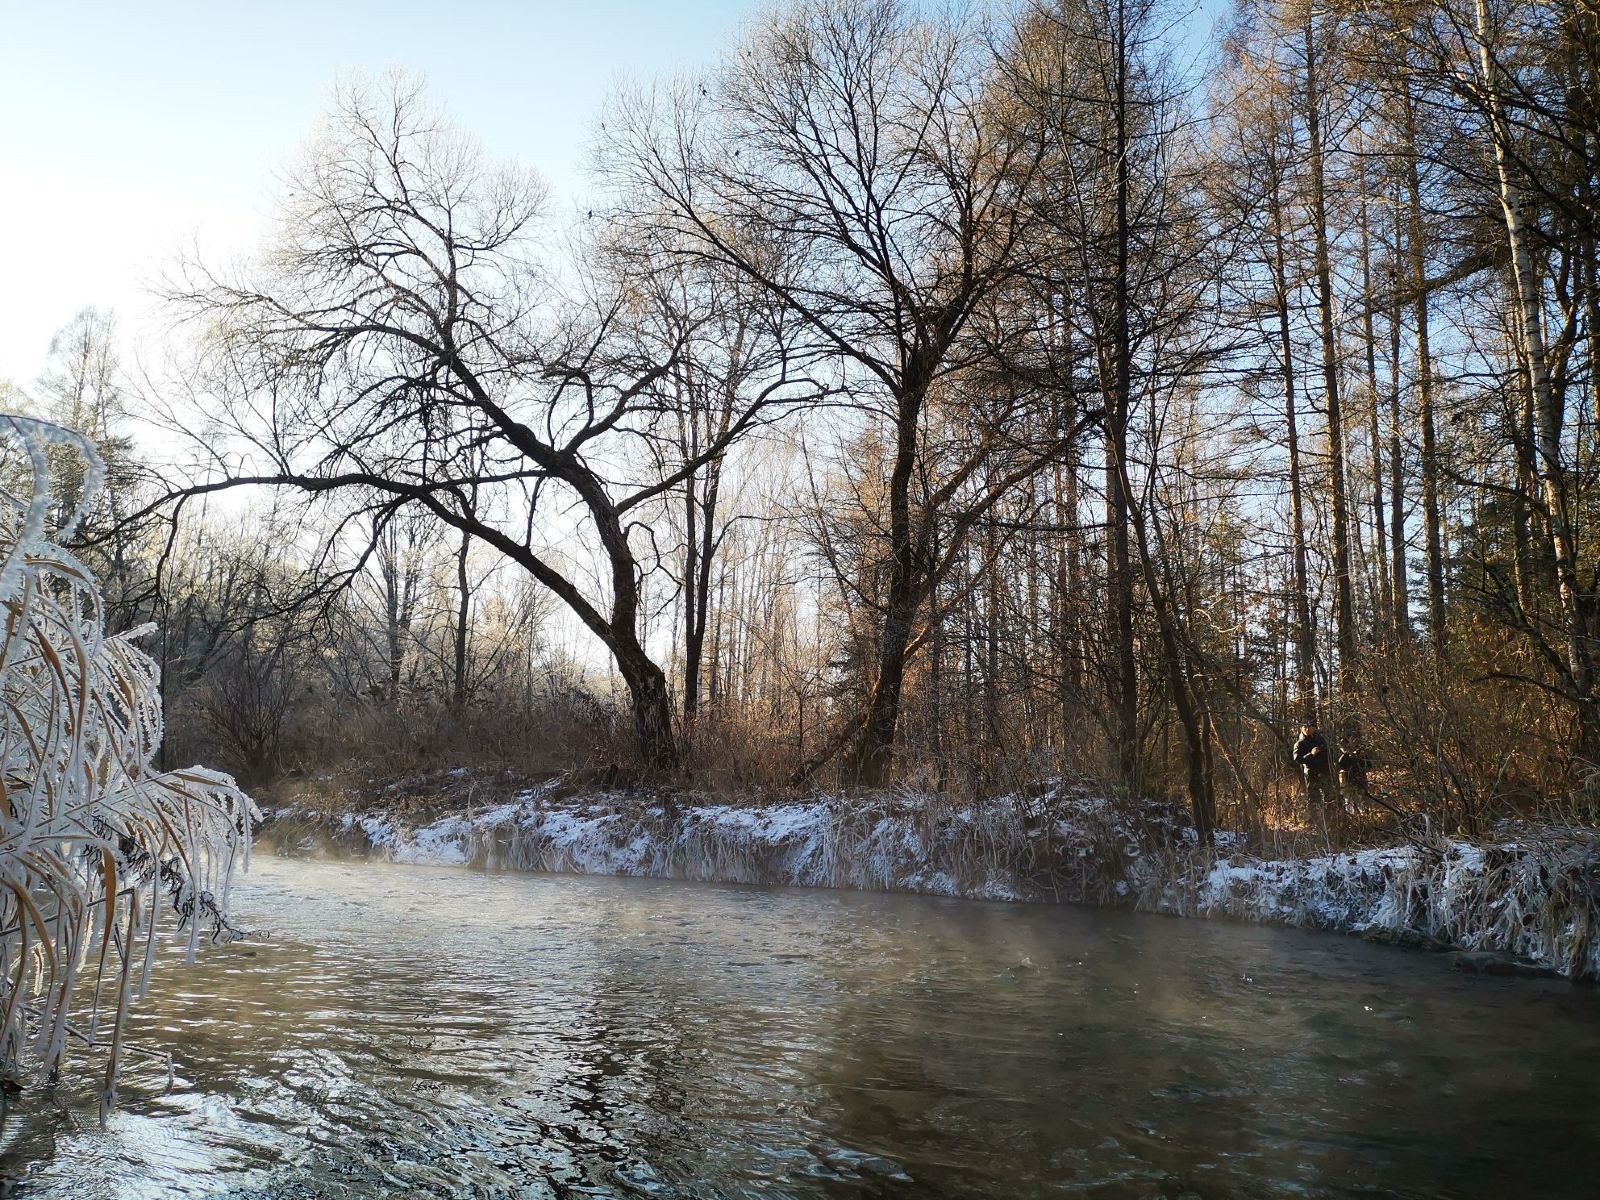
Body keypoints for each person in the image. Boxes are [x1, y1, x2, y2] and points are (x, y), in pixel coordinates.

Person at [1292, 721, 1333, 823]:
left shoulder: (1320, 740)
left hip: (1324, 771)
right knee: (1313, 797)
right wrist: (1311, 754)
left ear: (1314, 728)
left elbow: (1329, 753)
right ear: (1301, 729)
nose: (1307, 729)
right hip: (1311, 773)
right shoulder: (1300, 743)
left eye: (1309, 727)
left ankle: (1331, 819)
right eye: (1304, 727)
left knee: (1329, 795)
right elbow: (1298, 759)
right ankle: (1314, 820)